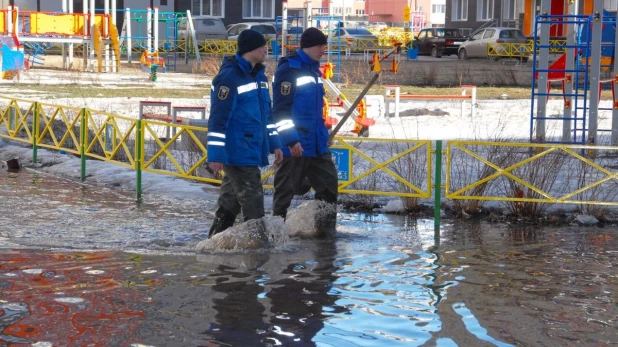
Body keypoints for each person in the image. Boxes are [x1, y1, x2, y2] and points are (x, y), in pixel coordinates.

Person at [207, 29, 283, 238]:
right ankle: (258, 249)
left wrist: (275, 143)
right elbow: (218, 119)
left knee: (229, 204)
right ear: (251, 49)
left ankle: (214, 245)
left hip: (249, 149)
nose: (266, 49)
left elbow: (266, 117)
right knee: (253, 202)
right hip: (237, 151)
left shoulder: (259, 77)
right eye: (262, 46)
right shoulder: (229, 78)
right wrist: (215, 155)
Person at [271, 27, 339, 224]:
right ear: (309, 46)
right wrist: (291, 140)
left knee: (329, 186)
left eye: (324, 46)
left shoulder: (314, 69)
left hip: (316, 144)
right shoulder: (289, 69)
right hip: (296, 144)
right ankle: (277, 233)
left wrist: (323, 135)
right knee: (285, 191)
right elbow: (281, 111)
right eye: (320, 46)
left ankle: (324, 232)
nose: (323, 50)